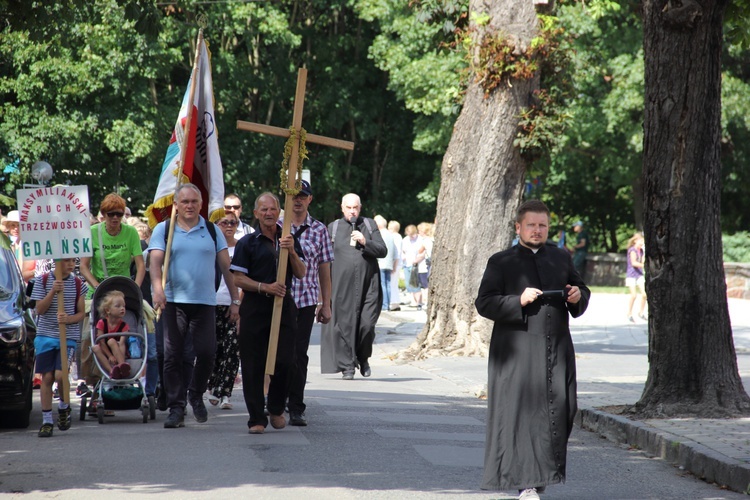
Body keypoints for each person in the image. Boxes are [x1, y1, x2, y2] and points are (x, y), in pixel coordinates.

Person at [475, 200, 590, 499]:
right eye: (531, 225)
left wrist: (578, 295)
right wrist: (518, 300)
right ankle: (528, 482)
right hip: (519, 350)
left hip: (557, 348)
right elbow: (484, 302)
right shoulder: (501, 261)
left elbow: (579, 291)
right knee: (525, 415)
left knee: (562, 408)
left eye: (542, 225)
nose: (537, 230)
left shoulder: (561, 258)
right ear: (518, 227)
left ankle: (541, 476)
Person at [149, 183, 240, 429]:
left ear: (201, 205)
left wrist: (235, 300)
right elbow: (155, 263)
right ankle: (176, 408)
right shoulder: (164, 229)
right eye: (185, 202)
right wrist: (157, 290)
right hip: (174, 301)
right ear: (176, 205)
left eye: (194, 202)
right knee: (172, 356)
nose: (189, 206)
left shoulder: (211, 230)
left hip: (204, 303)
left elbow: (225, 266)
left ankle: (196, 393)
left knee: (207, 352)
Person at [230, 192, 306, 434]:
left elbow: (302, 272)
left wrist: (292, 251)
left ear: (278, 212)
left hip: (283, 306)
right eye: (264, 210)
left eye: (273, 209)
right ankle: (256, 418)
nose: (269, 213)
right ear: (256, 214)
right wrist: (265, 287)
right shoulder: (247, 243)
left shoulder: (288, 238)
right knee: (253, 364)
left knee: (286, 361)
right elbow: (238, 278)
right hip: (255, 306)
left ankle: (275, 407)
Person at [79, 194, 145, 392]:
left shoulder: (131, 232)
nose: (115, 218)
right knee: (86, 339)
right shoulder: (92, 232)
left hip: (123, 292)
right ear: (103, 215)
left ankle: (137, 374)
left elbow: (140, 265)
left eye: (119, 214)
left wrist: (137, 289)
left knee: (146, 326)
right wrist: (98, 287)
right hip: (97, 291)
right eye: (111, 214)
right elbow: (83, 266)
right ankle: (90, 381)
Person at [280, 180, 333, 427]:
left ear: (310, 199)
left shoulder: (320, 230)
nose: (298, 200)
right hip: (279, 298)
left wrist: (326, 303)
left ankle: (297, 406)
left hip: (306, 300)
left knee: (299, 355)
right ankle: (276, 400)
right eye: (294, 196)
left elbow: (324, 269)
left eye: (303, 195)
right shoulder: (277, 226)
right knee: (280, 353)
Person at [321, 193, 387, 380]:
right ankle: (347, 366)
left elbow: (382, 250)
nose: (352, 211)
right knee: (344, 327)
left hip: (368, 285)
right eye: (348, 207)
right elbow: (323, 260)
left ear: (360, 207)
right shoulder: (332, 228)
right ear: (342, 208)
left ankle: (363, 357)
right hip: (341, 288)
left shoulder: (369, 225)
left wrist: (365, 242)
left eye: (355, 207)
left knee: (367, 325)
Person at [31, 258, 87, 437]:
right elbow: (39, 309)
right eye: (67, 261)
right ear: (56, 261)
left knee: (60, 374)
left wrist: (69, 319)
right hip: (45, 336)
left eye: (73, 261)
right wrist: (52, 292)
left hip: (67, 336)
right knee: (47, 377)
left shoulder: (78, 284)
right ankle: (47, 420)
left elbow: (80, 313)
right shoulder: (43, 280)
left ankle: (64, 406)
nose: (71, 264)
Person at [206, 211, 243, 410]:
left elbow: (244, 279)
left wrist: (237, 303)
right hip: (212, 303)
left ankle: (225, 392)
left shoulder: (241, 248)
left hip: (234, 303)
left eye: (233, 222)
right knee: (214, 348)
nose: (229, 226)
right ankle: (212, 385)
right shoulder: (209, 247)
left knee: (232, 348)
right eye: (224, 222)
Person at [91, 290, 131, 379]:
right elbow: (101, 342)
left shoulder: (124, 326)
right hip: (105, 350)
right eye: (118, 306)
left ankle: (122, 365)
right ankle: (111, 371)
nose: (122, 308)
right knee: (95, 347)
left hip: (119, 350)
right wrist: (110, 356)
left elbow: (122, 343)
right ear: (108, 310)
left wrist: (119, 356)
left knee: (112, 341)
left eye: (124, 306)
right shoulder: (102, 323)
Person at [374, 215, 397, 311]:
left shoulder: (380, 234)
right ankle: (387, 304)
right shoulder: (390, 234)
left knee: (382, 284)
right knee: (387, 284)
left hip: (381, 262)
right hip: (389, 263)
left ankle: (384, 304)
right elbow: (395, 251)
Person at [5, 210, 35, 283]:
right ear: (8, 227)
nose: (16, 228)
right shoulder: (8, 243)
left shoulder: (27, 243)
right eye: (13, 225)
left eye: (19, 225)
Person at [400, 224, 424, 310]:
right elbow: (402, 250)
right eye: (409, 235)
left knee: (415, 284)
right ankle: (413, 301)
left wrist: (417, 260)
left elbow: (422, 252)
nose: (411, 237)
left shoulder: (420, 240)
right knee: (408, 284)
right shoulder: (405, 240)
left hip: (416, 264)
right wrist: (403, 256)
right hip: (407, 264)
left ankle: (419, 303)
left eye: (412, 235)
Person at [625, 232, 647, 322]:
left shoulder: (640, 251)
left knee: (644, 294)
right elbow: (634, 263)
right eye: (640, 241)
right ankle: (629, 313)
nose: (642, 243)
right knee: (634, 295)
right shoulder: (632, 250)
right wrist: (643, 266)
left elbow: (643, 261)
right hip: (631, 275)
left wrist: (644, 252)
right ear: (635, 241)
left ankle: (641, 312)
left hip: (639, 274)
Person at [387, 220, 402, 311]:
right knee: (394, 283)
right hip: (397, 262)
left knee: (392, 283)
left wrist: (394, 265)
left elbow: (397, 253)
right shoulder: (398, 236)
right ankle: (395, 301)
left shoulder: (395, 237)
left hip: (395, 263)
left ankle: (393, 302)